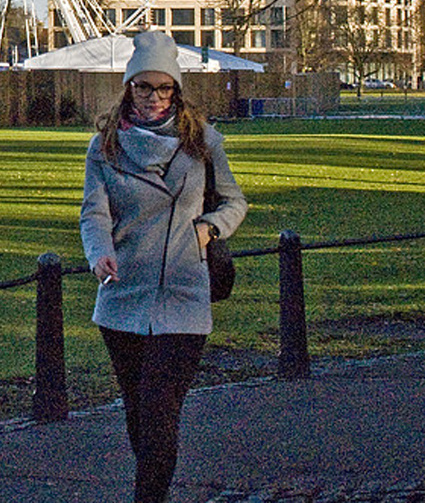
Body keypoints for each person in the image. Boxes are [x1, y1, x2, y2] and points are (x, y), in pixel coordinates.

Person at [80, 30, 247, 503]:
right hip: (123, 295)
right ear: (128, 87)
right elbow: (94, 213)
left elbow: (235, 202)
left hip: (183, 295)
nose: (153, 98)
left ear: (176, 90)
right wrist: (99, 254)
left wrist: (208, 229)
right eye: (143, 87)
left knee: (159, 410)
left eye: (163, 88)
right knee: (138, 411)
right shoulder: (105, 146)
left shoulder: (202, 143)